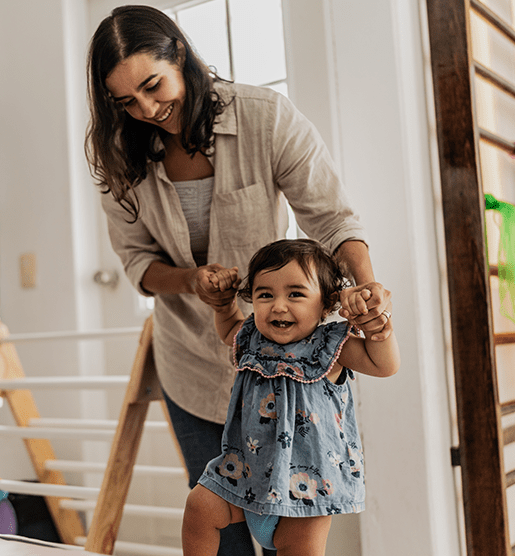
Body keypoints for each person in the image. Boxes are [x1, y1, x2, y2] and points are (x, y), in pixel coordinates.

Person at [86, 5, 392, 554]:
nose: (148, 109)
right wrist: (191, 281)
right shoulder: (120, 156)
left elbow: (332, 218)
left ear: (180, 53)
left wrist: (364, 287)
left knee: (287, 530)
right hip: (193, 368)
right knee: (215, 523)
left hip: (289, 370)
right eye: (125, 101)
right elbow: (138, 264)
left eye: (154, 86)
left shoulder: (265, 117)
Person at [182, 239, 400, 556]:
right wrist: (222, 306)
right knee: (199, 505)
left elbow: (384, 365)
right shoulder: (251, 338)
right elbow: (229, 328)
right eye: (265, 294)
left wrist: (380, 333)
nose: (278, 305)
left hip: (307, 489)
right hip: (244, 476)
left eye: (295, 294)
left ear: (326, 304)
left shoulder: (331, 347)